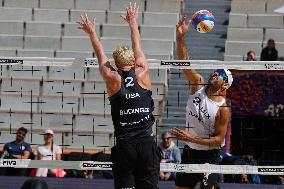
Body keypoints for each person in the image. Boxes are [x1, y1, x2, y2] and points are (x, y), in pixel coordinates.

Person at [78, 2, 159, 189]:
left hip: (125, 146)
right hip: (147, 144)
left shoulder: (112, 77)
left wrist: (91, 32)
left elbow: (100, 55)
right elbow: (137, 45)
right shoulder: (142, 71)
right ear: (133, 60)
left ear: (115, 62)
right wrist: (132, 22)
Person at [171, 16, 232, 189]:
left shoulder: (223, 108)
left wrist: (192, 137)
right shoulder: (197, 83)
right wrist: (181, 37)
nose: (215, 73)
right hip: (189, 153)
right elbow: (184, 63)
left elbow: (219, 140)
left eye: (220, 74)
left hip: (209, 157)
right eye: (215, 71)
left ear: (225, 84)